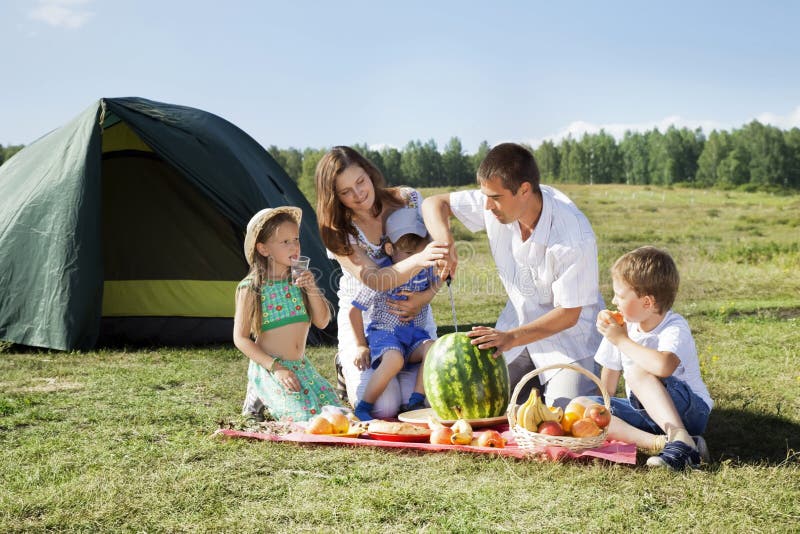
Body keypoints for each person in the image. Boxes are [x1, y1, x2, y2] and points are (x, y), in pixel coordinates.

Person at [422, 142, 604, 409]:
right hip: (516, 327)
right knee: (468, 402)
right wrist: (445, 241)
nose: (487, 205)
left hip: (570, 341)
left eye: (495, 198)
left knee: (564, 414)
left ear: (524, 190)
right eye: (485, 195)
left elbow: (569, 314)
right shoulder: (497, 201)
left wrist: (510, 338)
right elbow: (433, 203)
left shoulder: (573, 236)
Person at [315, 146, 449, 419]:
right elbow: (375, 280)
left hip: (414, 315)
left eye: (360, 181)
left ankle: (400, 377)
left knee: (423, 402)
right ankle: (346, 364)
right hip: (366, 321)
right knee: (382, 408)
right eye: (346, 192)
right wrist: (420, 259)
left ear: (369, 172)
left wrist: (423, 298)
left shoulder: (408, 199)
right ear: (335, 198)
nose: (358, 194)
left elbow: (436, 259)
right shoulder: (339, 229)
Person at [584, 246, 713, 469]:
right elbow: (608, 389)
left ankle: (680, 435)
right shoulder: (623, 327)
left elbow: (663, 366)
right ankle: (667, 443)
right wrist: (594, 415)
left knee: (638, 370)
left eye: (620, 296)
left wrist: (621, 340)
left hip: (690, 410)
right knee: (582, 406)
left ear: (647, 303)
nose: (613, 301)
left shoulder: (674, 327)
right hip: (647, 413)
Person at [234, 206, 342, 422]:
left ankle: (264, 398)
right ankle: (257, 394)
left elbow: (322, 322)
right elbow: (240, 338)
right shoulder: (251, 287)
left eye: (296, 239)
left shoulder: (300, 281)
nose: (294, 246)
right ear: (264, 249)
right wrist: (276, 368)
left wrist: (312, 288)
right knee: (305, 419)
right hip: (272, 369)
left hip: (300, 367)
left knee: (336, 414)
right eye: (285, 242)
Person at [349, 208, 441, 421]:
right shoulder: (383, 275)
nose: (416, 261)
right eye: (410, 255)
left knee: (433, 348)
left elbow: (438, 281)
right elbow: (355, 310)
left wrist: (431, 289)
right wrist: (361, 345)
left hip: (413, 336)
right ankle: (364, 406)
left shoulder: (426, 269)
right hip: (385, 334)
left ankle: (416, 400)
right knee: (395, 359)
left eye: (421, 253)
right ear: (390, 248)